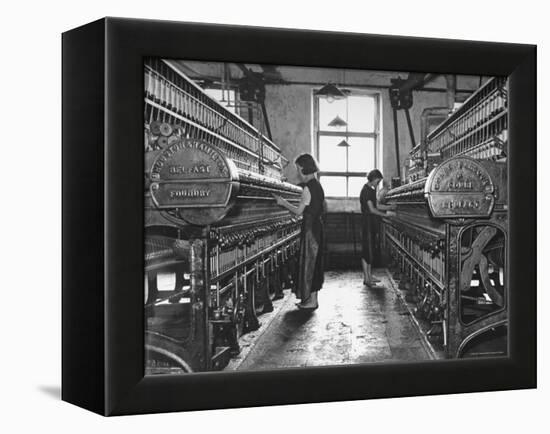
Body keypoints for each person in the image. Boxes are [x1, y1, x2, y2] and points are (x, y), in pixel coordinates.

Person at [273, 154, 325, 310]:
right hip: (317, 227)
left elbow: (298, 211)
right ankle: (312, 300)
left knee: (309, 263)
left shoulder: (308, 187)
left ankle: (310, 301)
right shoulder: (318, 185)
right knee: (314, 265)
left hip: (310, 230)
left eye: (297, 168)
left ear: (302, 168)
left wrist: (283, 202)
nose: (297, 171)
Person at [359, 169, 395, 287]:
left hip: (372, 223)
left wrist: (391, 207)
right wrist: (386, 215)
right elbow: (372, 210)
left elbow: (377, 205)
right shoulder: (366, 191)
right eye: (377, 181)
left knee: (371, 250)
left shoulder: (371, 190)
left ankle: (369, 275)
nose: (378, 183)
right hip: (367, 224)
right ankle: (366, 277)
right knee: (367, 251)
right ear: (373, 179)